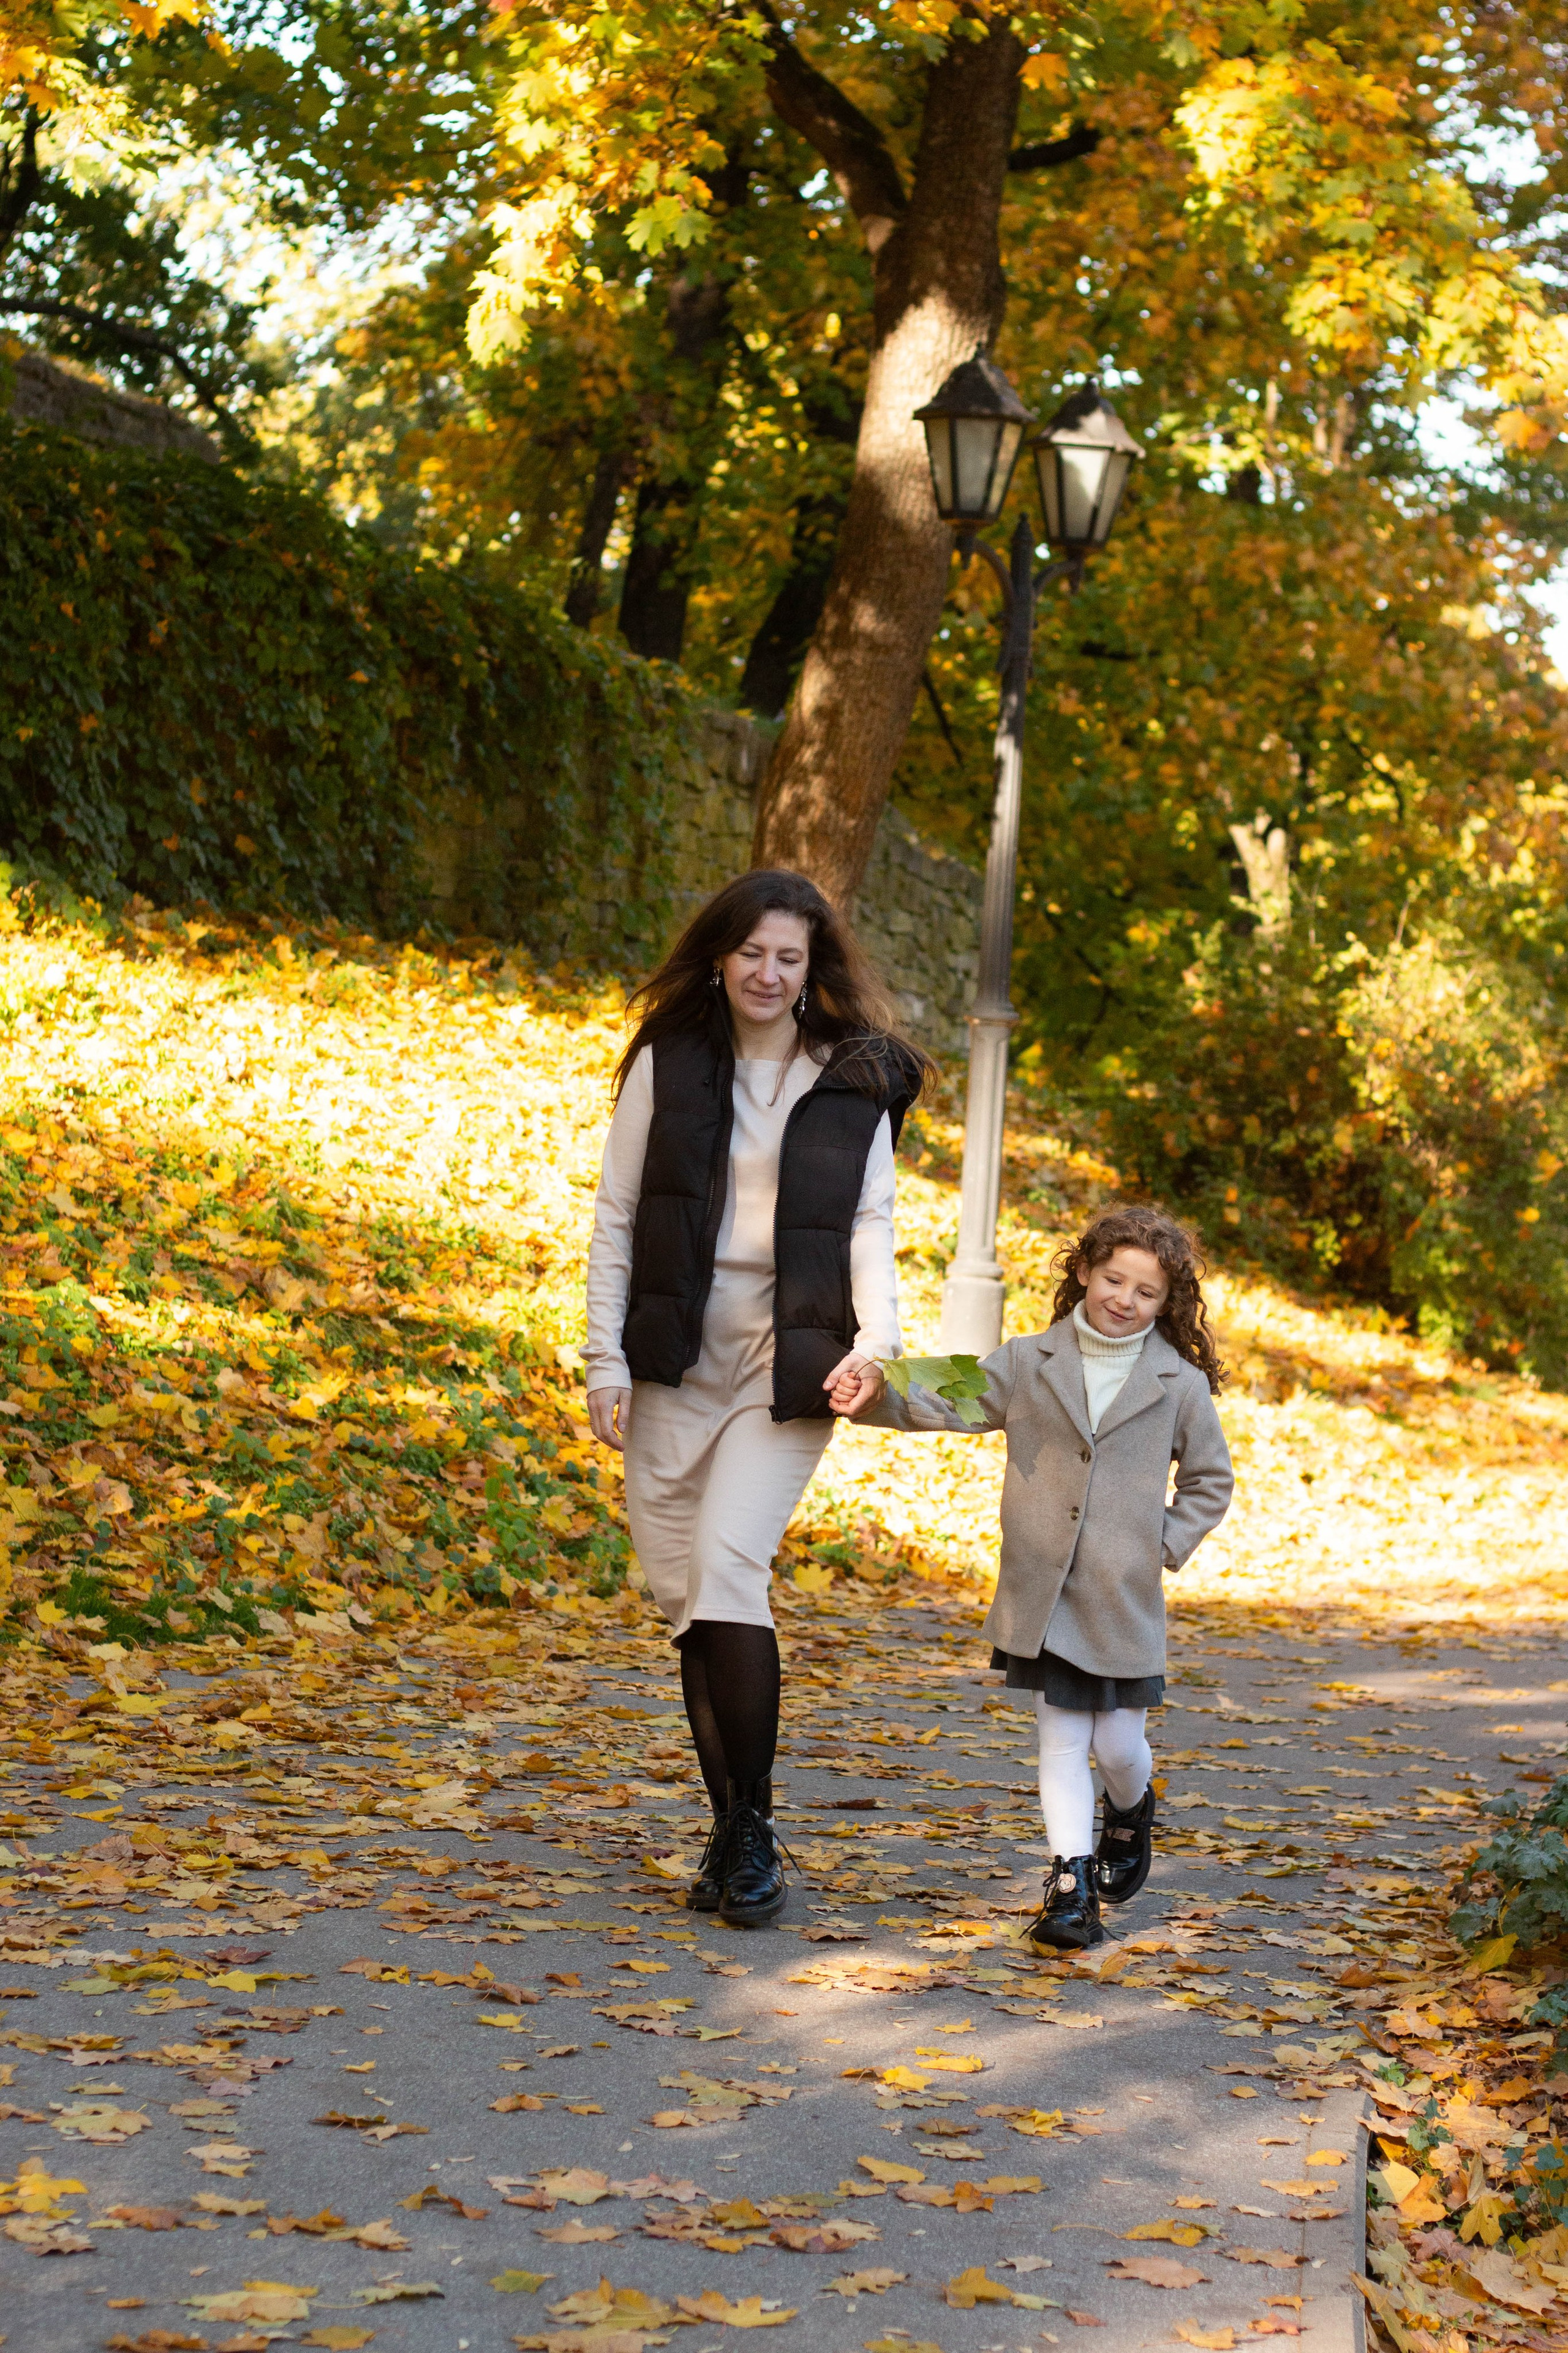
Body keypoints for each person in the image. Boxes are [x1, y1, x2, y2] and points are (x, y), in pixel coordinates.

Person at [585, 870, 932, 1927]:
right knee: (688, 1593)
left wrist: (882, 1340)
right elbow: (617, 1217)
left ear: (814, 968)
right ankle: (733, 1830)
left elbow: (869, 1226)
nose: (769, 974)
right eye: (752, 954)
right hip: (674, 1355)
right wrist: (604, 1361)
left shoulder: (855, 1080)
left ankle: (754, 1831)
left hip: (787, 1363)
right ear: (722, 957)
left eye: (790, 957)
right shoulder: (667, 1059)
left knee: (733, 1568)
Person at [844, 1203, 1232, 1950]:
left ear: (1167, 1303)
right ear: (1083, 1271)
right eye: (1112, 1278)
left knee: (1118, 1745)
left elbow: (1210, 1481)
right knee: (1059, 1739)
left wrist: (1161, 1544)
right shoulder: (1029, 1361)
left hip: (1121, 1600)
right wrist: (879, 1393)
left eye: (1145, 1292)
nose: (1124, 1299)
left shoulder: (1178, 1384)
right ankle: (1068, 1883)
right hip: (1043, 1592)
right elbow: (948, 1395)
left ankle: (1131, 1806)